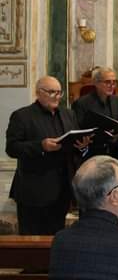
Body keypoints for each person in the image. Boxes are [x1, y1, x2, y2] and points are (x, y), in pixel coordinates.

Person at [6, 76, 92, 235]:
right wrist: (41, 146)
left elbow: (75, 148)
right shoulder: (22, 116)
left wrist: (82, 147)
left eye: (59, 92)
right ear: (38, 93)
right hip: (33, 191)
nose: (57, 96)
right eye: (52, 92)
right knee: (31, 241)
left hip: (62, 189)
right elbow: (12, 148)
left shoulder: (68, 114)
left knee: (56, 236)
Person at [72, 66, 118, 167]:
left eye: (114, 82)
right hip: (94, 154)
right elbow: (78, 130)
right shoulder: (81, 103)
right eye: (107, 82)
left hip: (117, 153)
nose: (112, 86)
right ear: (96, 83)